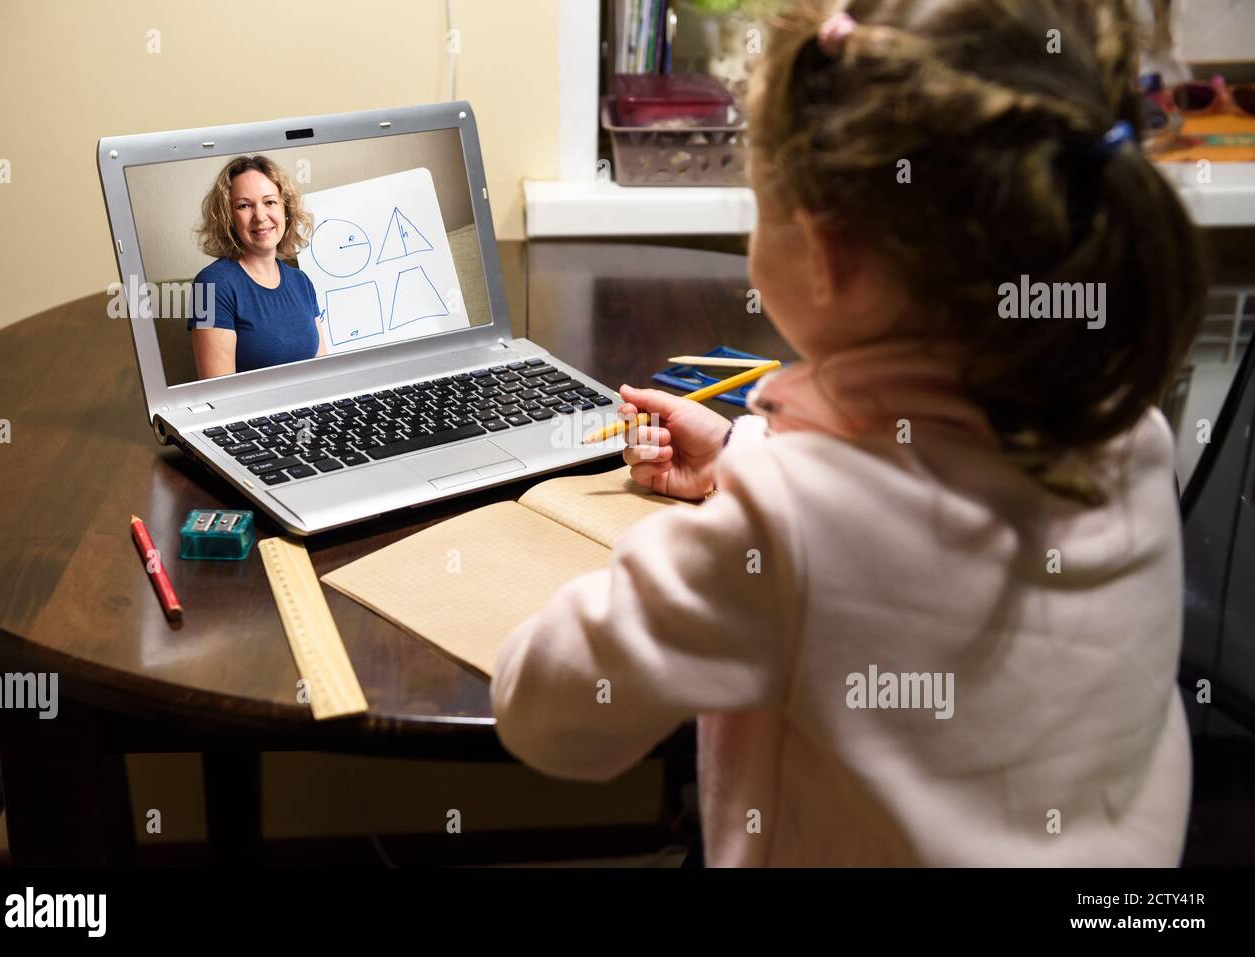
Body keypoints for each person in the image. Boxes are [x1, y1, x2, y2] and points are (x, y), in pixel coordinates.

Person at [490, 0, 1205, 866]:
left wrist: (733, 522)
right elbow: (903, 498)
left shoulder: (787, 530)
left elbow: (551, 716)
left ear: (823, 255)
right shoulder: (1128, 437)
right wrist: (741, 456)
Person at [187, 154, 326, 378]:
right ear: (228, 218)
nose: (260, 216)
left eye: (270, 202)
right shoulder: (209, 286)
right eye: (244, 206)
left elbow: (324, 373)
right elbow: (219, 393)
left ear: (286, 210)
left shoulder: (302, 282)